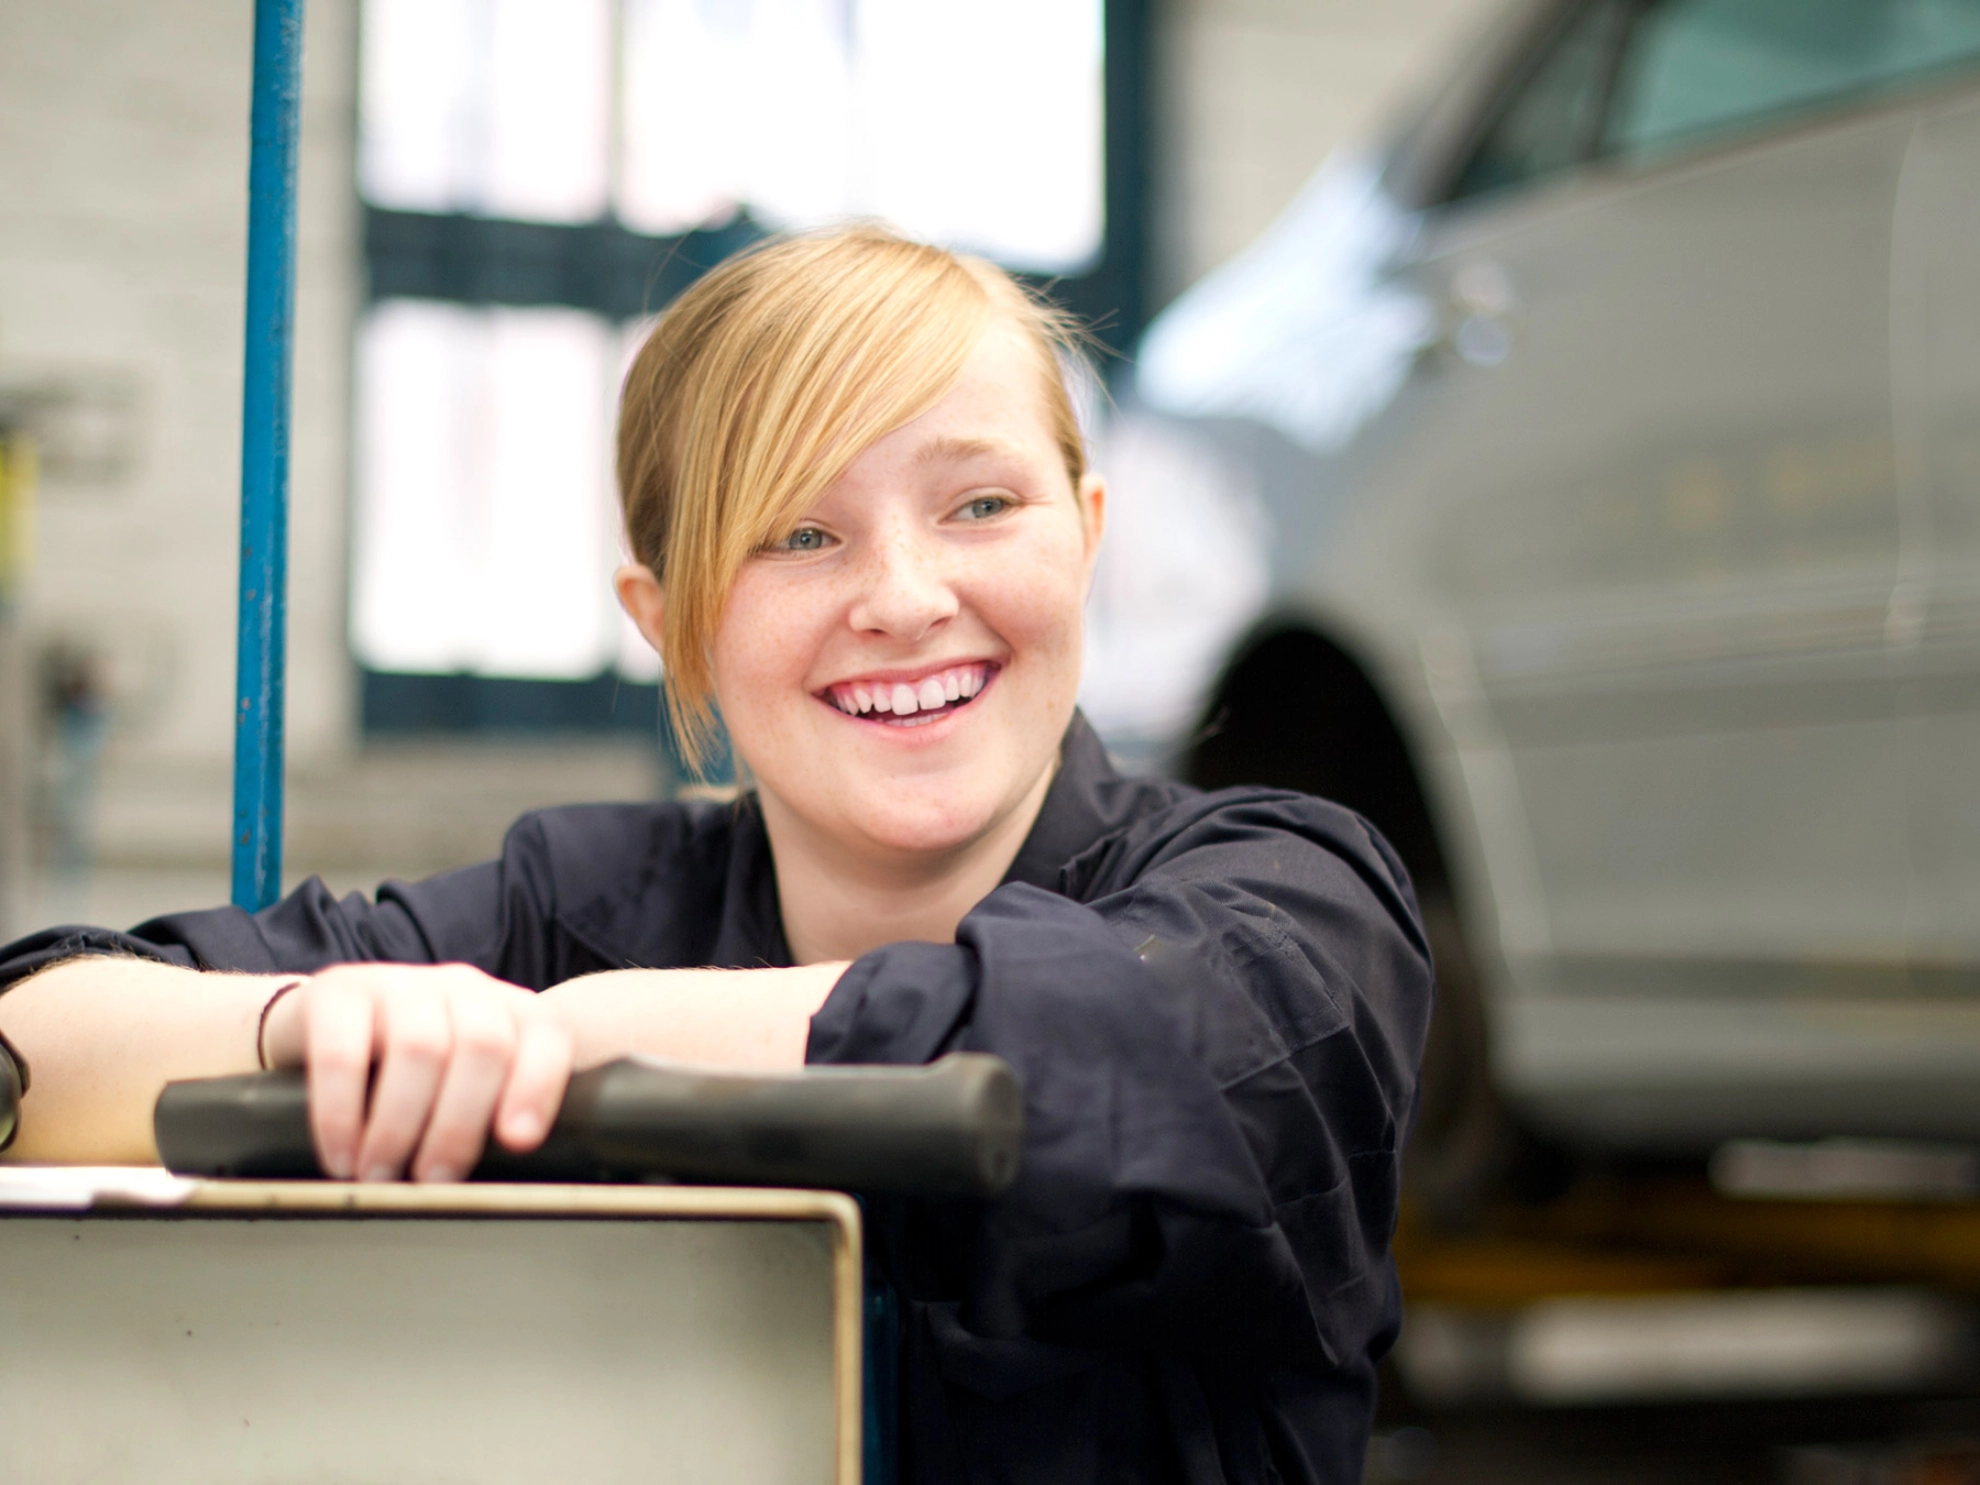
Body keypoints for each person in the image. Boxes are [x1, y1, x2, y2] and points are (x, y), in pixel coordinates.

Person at [0, 226, 1431, 1484]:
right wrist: (302, 1020)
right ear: (666, 616)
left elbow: (1118, 1047)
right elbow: (29, 1035)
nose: (904, 598)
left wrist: (574, 1041)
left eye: (981, 504)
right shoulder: (579, 904)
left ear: (1088, 536)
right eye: (797, 534)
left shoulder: (1295, 893)